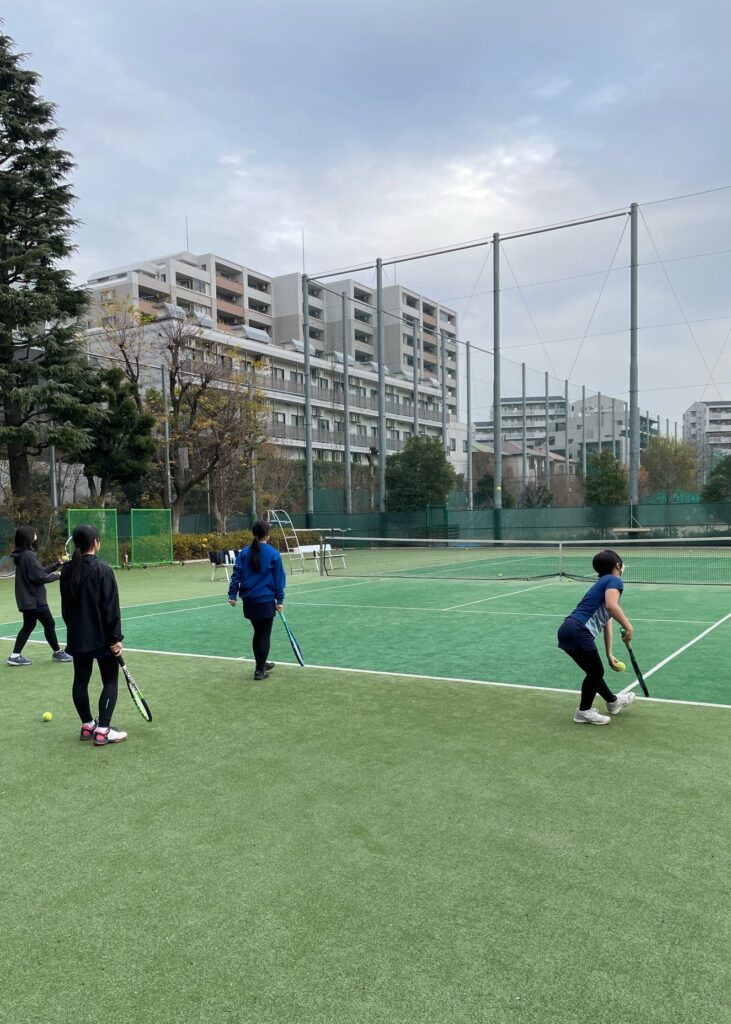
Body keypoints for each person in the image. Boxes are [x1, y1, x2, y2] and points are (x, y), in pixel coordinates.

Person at [60, 524, 127, 746]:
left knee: (80, 680)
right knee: (110, 681)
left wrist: (74, 630)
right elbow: (111, 609)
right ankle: (103, 729)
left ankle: (88, 725)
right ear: (96, 542)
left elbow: (66, 609)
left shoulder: (67, 571)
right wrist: (116, 639)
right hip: (103, 639)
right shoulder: (103, 570)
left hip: (77, 637)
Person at [557, 548, 636, 726]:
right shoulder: (614, 580)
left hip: (567, 630)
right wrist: (629, 627)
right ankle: (583, 711)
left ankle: (613, 702)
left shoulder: (600, 584)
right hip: (579, 630)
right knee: (596, 672)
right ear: (618, 565)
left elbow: (607, 620)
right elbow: (612, 606)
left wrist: (609, 653)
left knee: (594, 672)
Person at [7, 526, 72, 667]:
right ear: (28, 537)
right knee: (49, 623)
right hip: (35, 600)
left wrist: (57, 565)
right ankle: (57, 652)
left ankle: (15, 655)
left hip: (28, 600)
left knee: (29, 625)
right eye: (34, 533)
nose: (36, 534)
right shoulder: (28, 556)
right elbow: (41, 577)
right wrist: (60, 575)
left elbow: (39, 571)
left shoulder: (23, 554)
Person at [228, 520, 286, 680]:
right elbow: (279, 579)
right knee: (264, 635)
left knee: (258, 633)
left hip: (249, 602)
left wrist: (232, 595)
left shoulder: (244, 553)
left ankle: (261, 663)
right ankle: (260, 670)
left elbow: (236, 574)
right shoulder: (273, 554)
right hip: (265, 601)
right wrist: (280, 600)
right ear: (267, 535)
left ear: (254, 534)